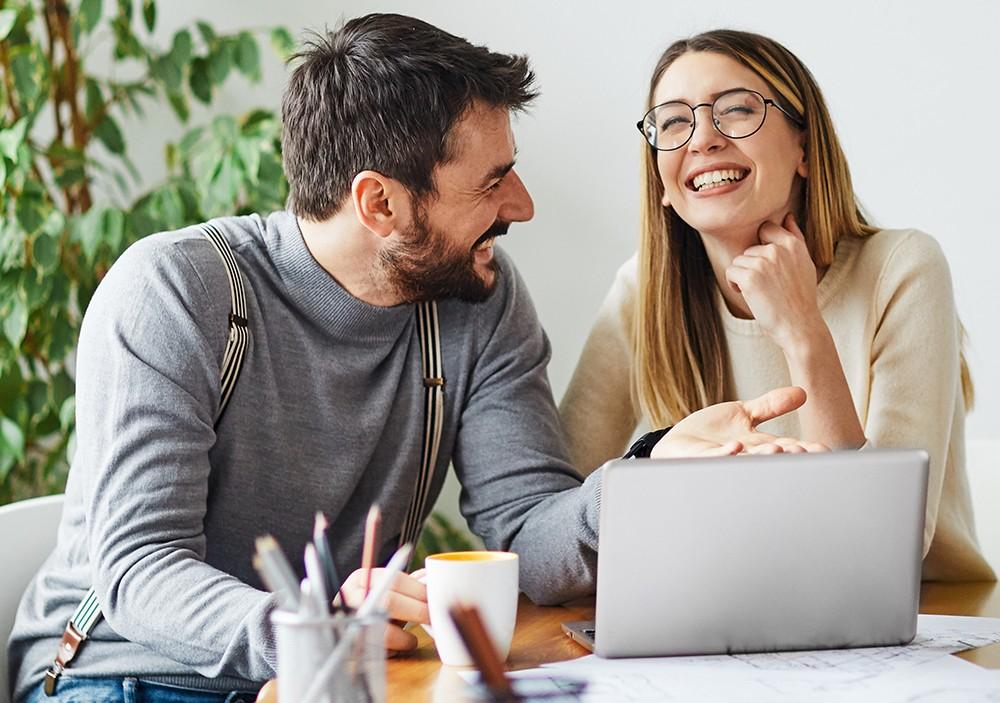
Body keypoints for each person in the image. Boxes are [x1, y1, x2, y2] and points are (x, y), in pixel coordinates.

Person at [8, 16, 821, 703]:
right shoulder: (178, 290)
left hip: (339, 675)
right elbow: (142, 569)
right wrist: (320, 634)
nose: (522, 206)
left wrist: (645, 479)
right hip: (127, 674)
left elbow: (527, 529)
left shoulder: (479, 298)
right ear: (381, 203)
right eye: (493, 180)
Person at [560, 29, 995, 583]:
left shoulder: (902, 267)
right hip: (723, 608)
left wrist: (803, 331)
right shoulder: (642, 289)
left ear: (805, 149)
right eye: (673, 121)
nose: (703, 139)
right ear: (662, 181)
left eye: (736, 110)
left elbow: (882, 546)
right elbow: (557, 509)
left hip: (919, 618)